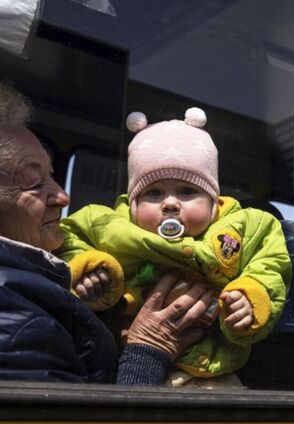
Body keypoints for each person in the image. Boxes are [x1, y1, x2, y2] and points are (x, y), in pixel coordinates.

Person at [0, 80, 214, 384]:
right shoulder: (15, 323)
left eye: (52, 175)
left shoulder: (35, 282)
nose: (62, 197)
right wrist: (148, 350)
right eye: (35, 183)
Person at [56, 109, 290, 385]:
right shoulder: (109, 226)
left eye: (187, 191)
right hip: (123, 361)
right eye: (153, 193)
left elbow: (270, 261)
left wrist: (250, 296)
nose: (169, 203)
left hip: (211, 365)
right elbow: (68, 239)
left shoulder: (242, 227)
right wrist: (90, 268)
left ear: (214, 203)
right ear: (132, 205)